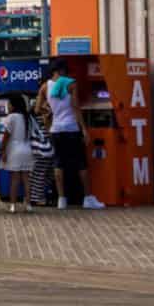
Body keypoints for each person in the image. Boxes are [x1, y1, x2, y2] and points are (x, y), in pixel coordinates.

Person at [43, 62, 103, 209]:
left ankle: (61, 200)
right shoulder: (71, 84)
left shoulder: (46, 86)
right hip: (71, 128)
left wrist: (50, 116)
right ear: (62, 70)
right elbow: (76, 107)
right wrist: (84, 129)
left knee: (58, 163)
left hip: (56, 130)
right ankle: (88, 198)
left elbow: (39, 107)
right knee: (81, 163)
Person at [0, 93, 36, 213]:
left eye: (9, 104)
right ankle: (28, 204)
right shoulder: (28, 117)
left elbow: (6, 136)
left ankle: (13, 205)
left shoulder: (11, 117)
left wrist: (3, 150)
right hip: (27, 149)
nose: (8, 106)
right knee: (26, 178)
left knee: (14, 179)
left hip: (14, 150)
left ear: (13, 105)